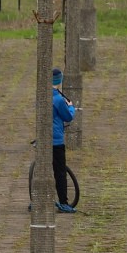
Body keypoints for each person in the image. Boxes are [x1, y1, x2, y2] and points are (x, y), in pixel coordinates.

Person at [51, 67, 76, 213]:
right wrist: (71, 107)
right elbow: (68, 117)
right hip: (56, 141)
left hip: (43, 139)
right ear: (59, 81)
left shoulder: (43, 95)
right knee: (60, 172)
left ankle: (36, 199)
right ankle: (63, 202)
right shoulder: (59, 100)